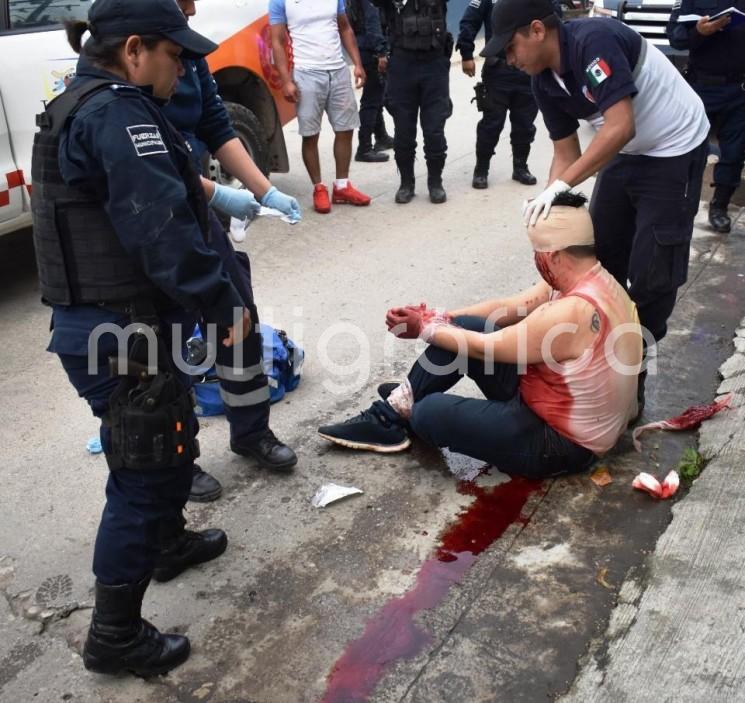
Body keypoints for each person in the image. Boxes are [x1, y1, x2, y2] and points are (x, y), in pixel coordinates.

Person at [31, 0, 248, 676]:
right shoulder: (115, 114)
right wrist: (222, 304)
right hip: (116, 329)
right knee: (143, 472)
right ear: (132, 50)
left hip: (118, 325)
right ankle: (114, 634)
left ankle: (165, 545)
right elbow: (161, 229)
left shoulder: (85, 98)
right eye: (173, 54)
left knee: (167, 436)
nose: (182, 68)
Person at [485, 0, 710, 412]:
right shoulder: (543, 81)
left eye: (509, 47)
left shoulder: (594, 41)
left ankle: (632, 382)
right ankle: (596, 358)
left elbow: (622, 125)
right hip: (627, 150)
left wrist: (561, 186)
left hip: (674, 146)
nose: (508, 59)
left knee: (653, 272)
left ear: (537, 30)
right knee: (598, 258)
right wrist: (549, 201)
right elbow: (566, 153)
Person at [317, 193, 642, 476]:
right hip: (547, 400)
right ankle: (394, 411)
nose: (536, 261)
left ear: (554, 256)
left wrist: (425, 329)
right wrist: (439, 317)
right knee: (464, 327)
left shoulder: (573, 312)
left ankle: (409, 404)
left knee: (430, 412)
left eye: (538, 254)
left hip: (560, 442)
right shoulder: (595, 281)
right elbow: (508, 306)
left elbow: (490, 346)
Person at [166, 0, 300, 504]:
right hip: (154, 216)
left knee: (237, 313)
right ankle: (181, 458)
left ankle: (251, 433)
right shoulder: (132, 61)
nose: (194, 7)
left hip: (198, 210)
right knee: (173, 334)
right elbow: (155, 159)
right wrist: (218, 191)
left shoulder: (188, 53)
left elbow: (217, 127)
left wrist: (264, 190)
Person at [270, 0, 372, 213]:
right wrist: (286, 80)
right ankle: (319, 188)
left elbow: (344, 27)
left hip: (338, 70)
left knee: (345, 129)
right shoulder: (280, 1)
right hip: (306, 73)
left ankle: (342, 186)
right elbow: (277, 41)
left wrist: (358, 64)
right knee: (310, 134)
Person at [457, 0, 563, 189]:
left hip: (530, 70)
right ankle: (481, 170)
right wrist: (466, 54)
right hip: (499, 71)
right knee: (491, 124)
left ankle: (520, 167)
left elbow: (555, 19)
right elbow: (469, 21)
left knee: (525, 124)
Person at [667, 2, 745, 233]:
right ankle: (680, 204)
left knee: (734, 153)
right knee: (689, 151)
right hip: (701, 88)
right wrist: (699, 33)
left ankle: (719, 207)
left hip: (739, 89)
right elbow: (675, 37)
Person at [372, 0, 452, 204]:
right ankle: (407, 183)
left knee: (434, 130)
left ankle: (435, 183)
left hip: (434, 64)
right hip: (402, 65)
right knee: (404, 132)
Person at [345, 0, 395, 162]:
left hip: (364, 46)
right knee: (372, 100)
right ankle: (364, 148)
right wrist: (381, 51)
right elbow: (373, 22)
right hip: (371, 48)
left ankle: (381, 137)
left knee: (376, 95)